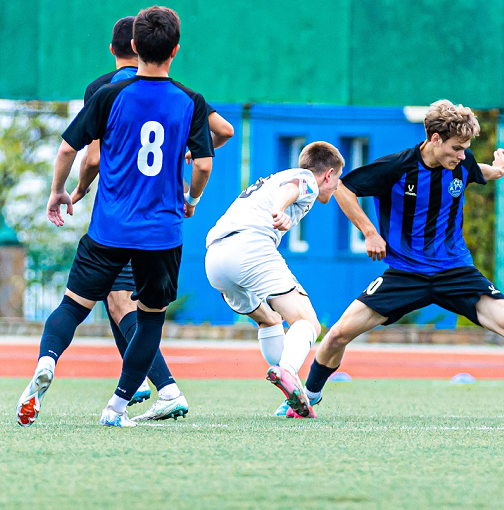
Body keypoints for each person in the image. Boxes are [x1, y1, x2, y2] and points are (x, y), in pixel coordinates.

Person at [279, 100, 504, 417]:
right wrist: (370, 233)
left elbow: (482, 171)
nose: (462, 155)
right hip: (405, 273)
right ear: (434, 139)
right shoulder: (396, 167)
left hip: (456, 271)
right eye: (457, 148)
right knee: (338, 334)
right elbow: (343, 187)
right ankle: (306, 397)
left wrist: (498, 168)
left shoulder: (462, 165)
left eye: (466, 150)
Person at [16, 5, 214, 428]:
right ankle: (117, 407)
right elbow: (203, 165)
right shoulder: (189, 101)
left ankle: (47, 360)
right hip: (161, 232)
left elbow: (72, 148)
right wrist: (191, 199)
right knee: (150, 318)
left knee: (72, 305)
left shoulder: (108, 94)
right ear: (175, 49)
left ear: (133, 47)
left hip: (109, 228)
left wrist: (58, 193)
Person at [67, 15, 234, 421]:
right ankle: (141, 383)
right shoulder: (182, 95)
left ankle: (161, 386)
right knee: (129, 302)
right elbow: (224, 132)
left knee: (121, 301)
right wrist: (185, 154)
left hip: (120, 213)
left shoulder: (104, 88)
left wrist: (79, 189)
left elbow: (90, 156)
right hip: (161, 215)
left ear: (119, 48)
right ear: (171, 49)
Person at [205, 141, 344, 418]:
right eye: (337, 179)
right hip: (250, 247)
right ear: (328, 174)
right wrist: (278, 210)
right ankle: (288, 372)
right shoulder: (306, 178)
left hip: (215, 259)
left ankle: (289, 392)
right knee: (308, 322)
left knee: (269, 319)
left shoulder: (274, 178)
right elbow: (290, 189)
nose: (336, 187)